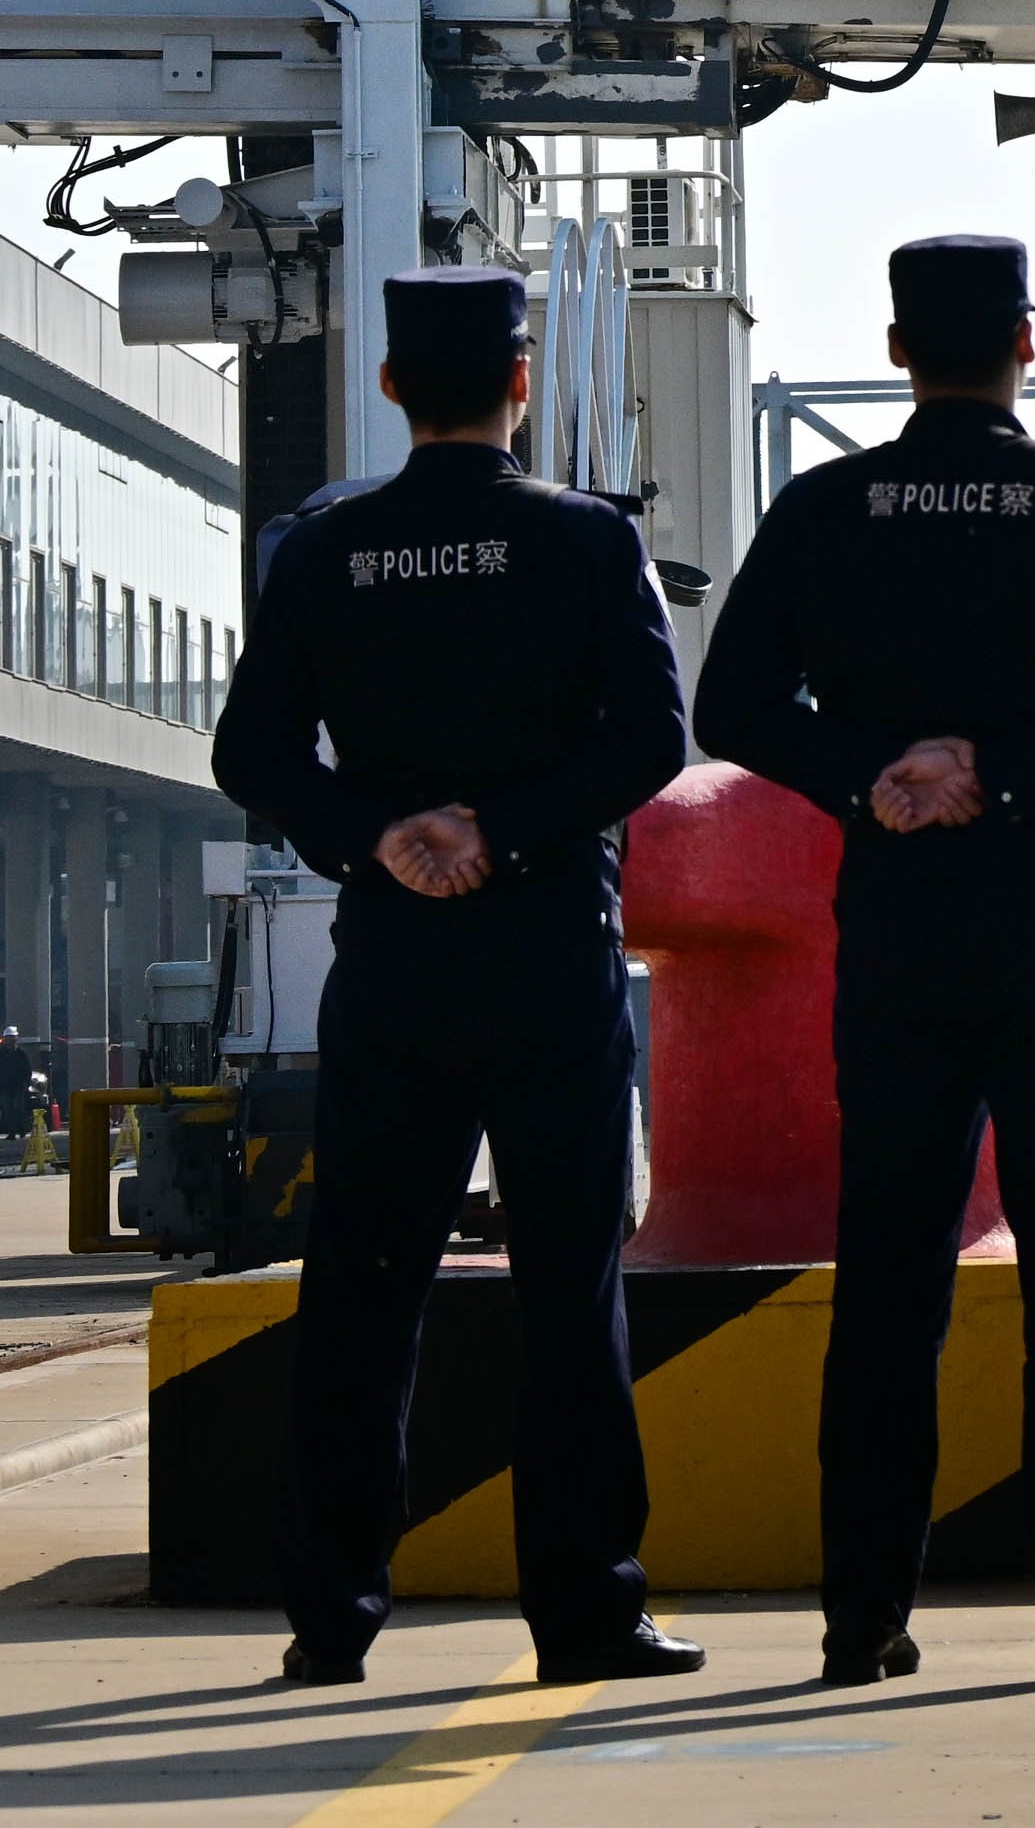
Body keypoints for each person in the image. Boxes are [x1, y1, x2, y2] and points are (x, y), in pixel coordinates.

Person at [692, 232, 1035, 1690]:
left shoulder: (824, 507)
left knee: (888, 1281)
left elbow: (732, 707)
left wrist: (879, 774)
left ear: (899, 350)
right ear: (1027, 346)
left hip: (902, 923)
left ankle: (861, 1623)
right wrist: (1007, 771)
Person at [212, 265, 702, 1691]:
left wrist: (381, 833)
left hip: (395, 959)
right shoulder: (589, 543)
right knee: (569, 1290)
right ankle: (588, 1615)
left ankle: (330, 1619)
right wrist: (507, 830)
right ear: (523, 383)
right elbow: (651, 743)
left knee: (360, 1292)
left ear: (389, 388)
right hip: (546, 956)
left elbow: (252, 754)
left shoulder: (323, 552)